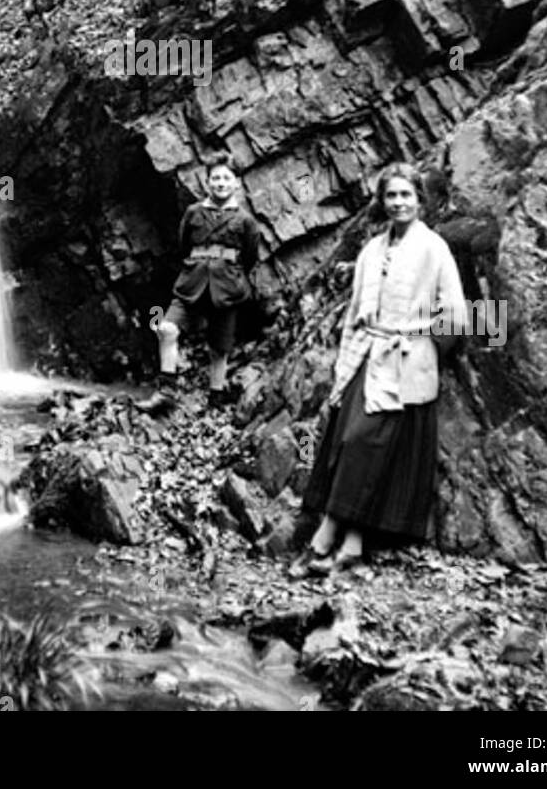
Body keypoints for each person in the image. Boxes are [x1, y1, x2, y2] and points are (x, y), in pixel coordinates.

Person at [292, 162, 468, 574]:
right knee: (345, 444)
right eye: (391, 196)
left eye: (406, 195)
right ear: (381, 201)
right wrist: (344, 366)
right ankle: (351, 545)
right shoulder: (372, 249)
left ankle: (325, 538)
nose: (398, 203)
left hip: (405, 363)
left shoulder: (434, 247)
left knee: (363, 444)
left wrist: (418, 332)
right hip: (367, 357)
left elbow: (459, 314)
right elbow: (356, 312)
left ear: (420, 200)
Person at [138, 152, 260, 414]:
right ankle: (167, 391)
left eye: (226, 178)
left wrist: (230, 273)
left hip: (226, 287)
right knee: (166, 328)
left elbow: (250, 257)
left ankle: (215, 399)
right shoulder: (193, 212)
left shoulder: (245, 220)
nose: (220, 183)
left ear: (237, 183)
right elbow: (183, 246)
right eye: (215, 178)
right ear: (207, 182)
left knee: (219, 349)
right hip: (191, 283)